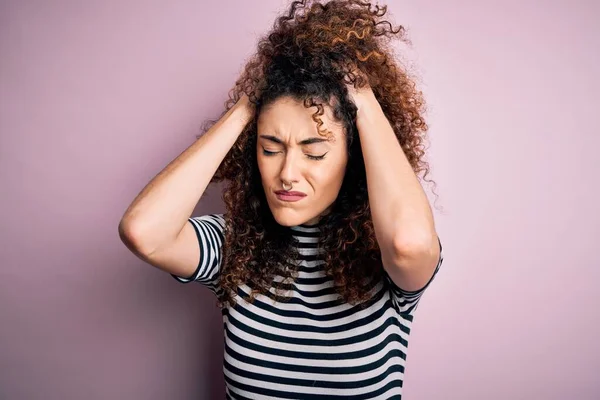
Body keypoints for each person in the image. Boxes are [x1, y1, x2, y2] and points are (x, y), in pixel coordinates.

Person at [119, 0, 444, 398]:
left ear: (355, 156)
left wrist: (362, 98)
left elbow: (408, 244)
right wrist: (248, 105)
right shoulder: (234, 245)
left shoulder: (387, 251)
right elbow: (142, 232)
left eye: (314, 152)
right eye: (270, 148)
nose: (287, 173)